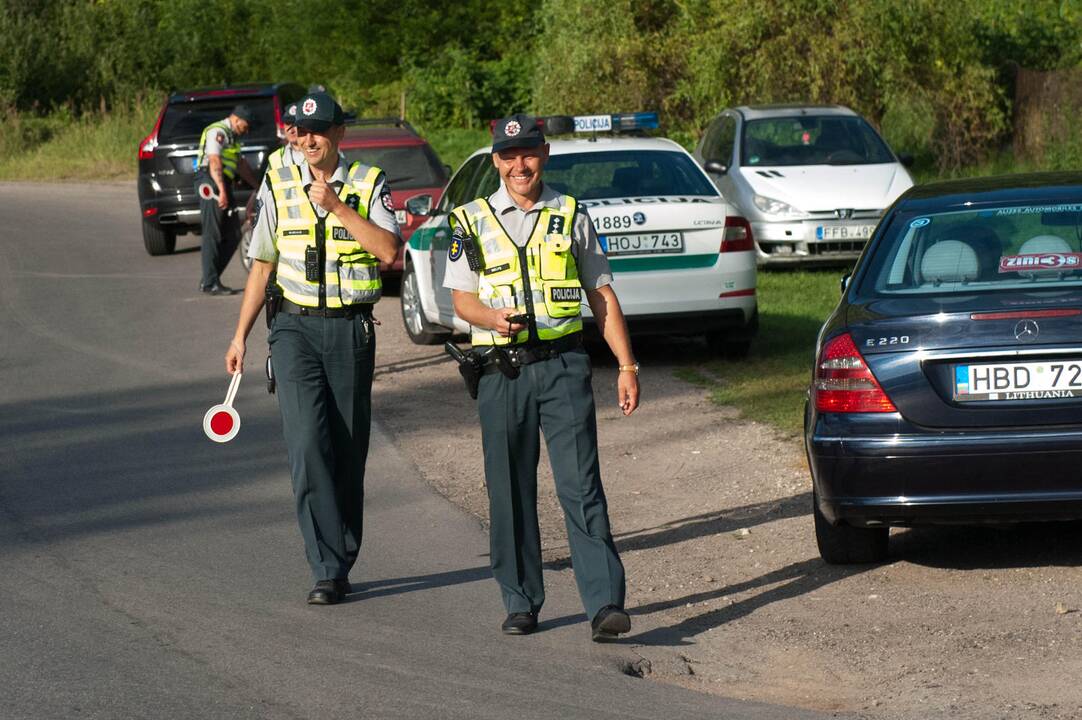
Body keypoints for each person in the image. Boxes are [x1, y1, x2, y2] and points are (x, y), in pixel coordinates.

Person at [444, 114, 641, 641]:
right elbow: (461, 300)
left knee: (581, 486)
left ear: (545, 154)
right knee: (509, 490)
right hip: (500, 372)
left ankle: (604, 604)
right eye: (508, 157)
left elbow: (601, 295)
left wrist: (626, 366)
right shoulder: (470, 220)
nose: (519, 165)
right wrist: (491, 320)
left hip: (562, 365)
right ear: (495, 162)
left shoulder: (572, 214)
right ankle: (521, 599)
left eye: (528, 154)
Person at [224, 91, 401, 604]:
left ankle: (342, 552)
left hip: (349, 329)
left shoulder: (368, 182)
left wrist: (338, 206)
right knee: (306, 446)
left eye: (318, 131)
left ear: (339, 133)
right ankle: (325, 567)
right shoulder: (278, 182)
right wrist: (240, 335)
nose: (307, 141)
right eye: (299, 133)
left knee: (348, 450)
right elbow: (262, 263)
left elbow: (389, 250)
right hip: (294, 329)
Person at [195, 105, 261, 295]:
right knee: (213, 232)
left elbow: (241, 165)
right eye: (245, 126)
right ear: (237, 118)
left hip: (223, 183)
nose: (246, 130)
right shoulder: (218, 132)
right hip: (211, 183)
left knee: (233, 233)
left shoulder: (232, 139)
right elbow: (214, 160)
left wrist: (258, 186)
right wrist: (222, 191)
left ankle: (210, 277)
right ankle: (210, 283)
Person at [266, 103, 303, 170]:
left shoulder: (317, 153)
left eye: (295, 124)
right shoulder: (275, 158)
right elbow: (267, 180)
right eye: (288, 124)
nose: (291, 130)